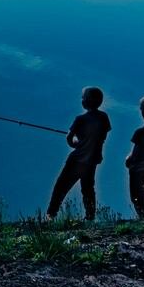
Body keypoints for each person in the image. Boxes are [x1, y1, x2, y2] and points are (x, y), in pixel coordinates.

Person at [47, 86, 110, 221]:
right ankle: (90, 216)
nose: (81, 100)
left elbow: (69, 138)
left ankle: (50, 215)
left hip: (77, 160)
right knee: (88, 189)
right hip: (92, 160)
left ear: (86, 101)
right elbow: (102, 136)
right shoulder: (104, 117)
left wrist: (76, 143)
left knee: (61, 187)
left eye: (83, 97)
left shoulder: (80, 119)